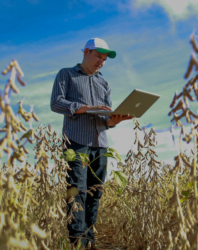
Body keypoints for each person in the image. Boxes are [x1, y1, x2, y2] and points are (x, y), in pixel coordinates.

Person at [50, 38, 131, 250]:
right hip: (76, 142)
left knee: (95, 194)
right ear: (86, 52)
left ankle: (90, 242)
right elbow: (56, 103)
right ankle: (77, 243)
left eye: (104, 60)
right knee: (77, 192)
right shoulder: (66, 74)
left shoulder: (105, 83)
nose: (101, 62)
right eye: (98, 57)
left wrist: (115, 120)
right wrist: (86, 107)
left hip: (100, 144)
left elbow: (106, 119)